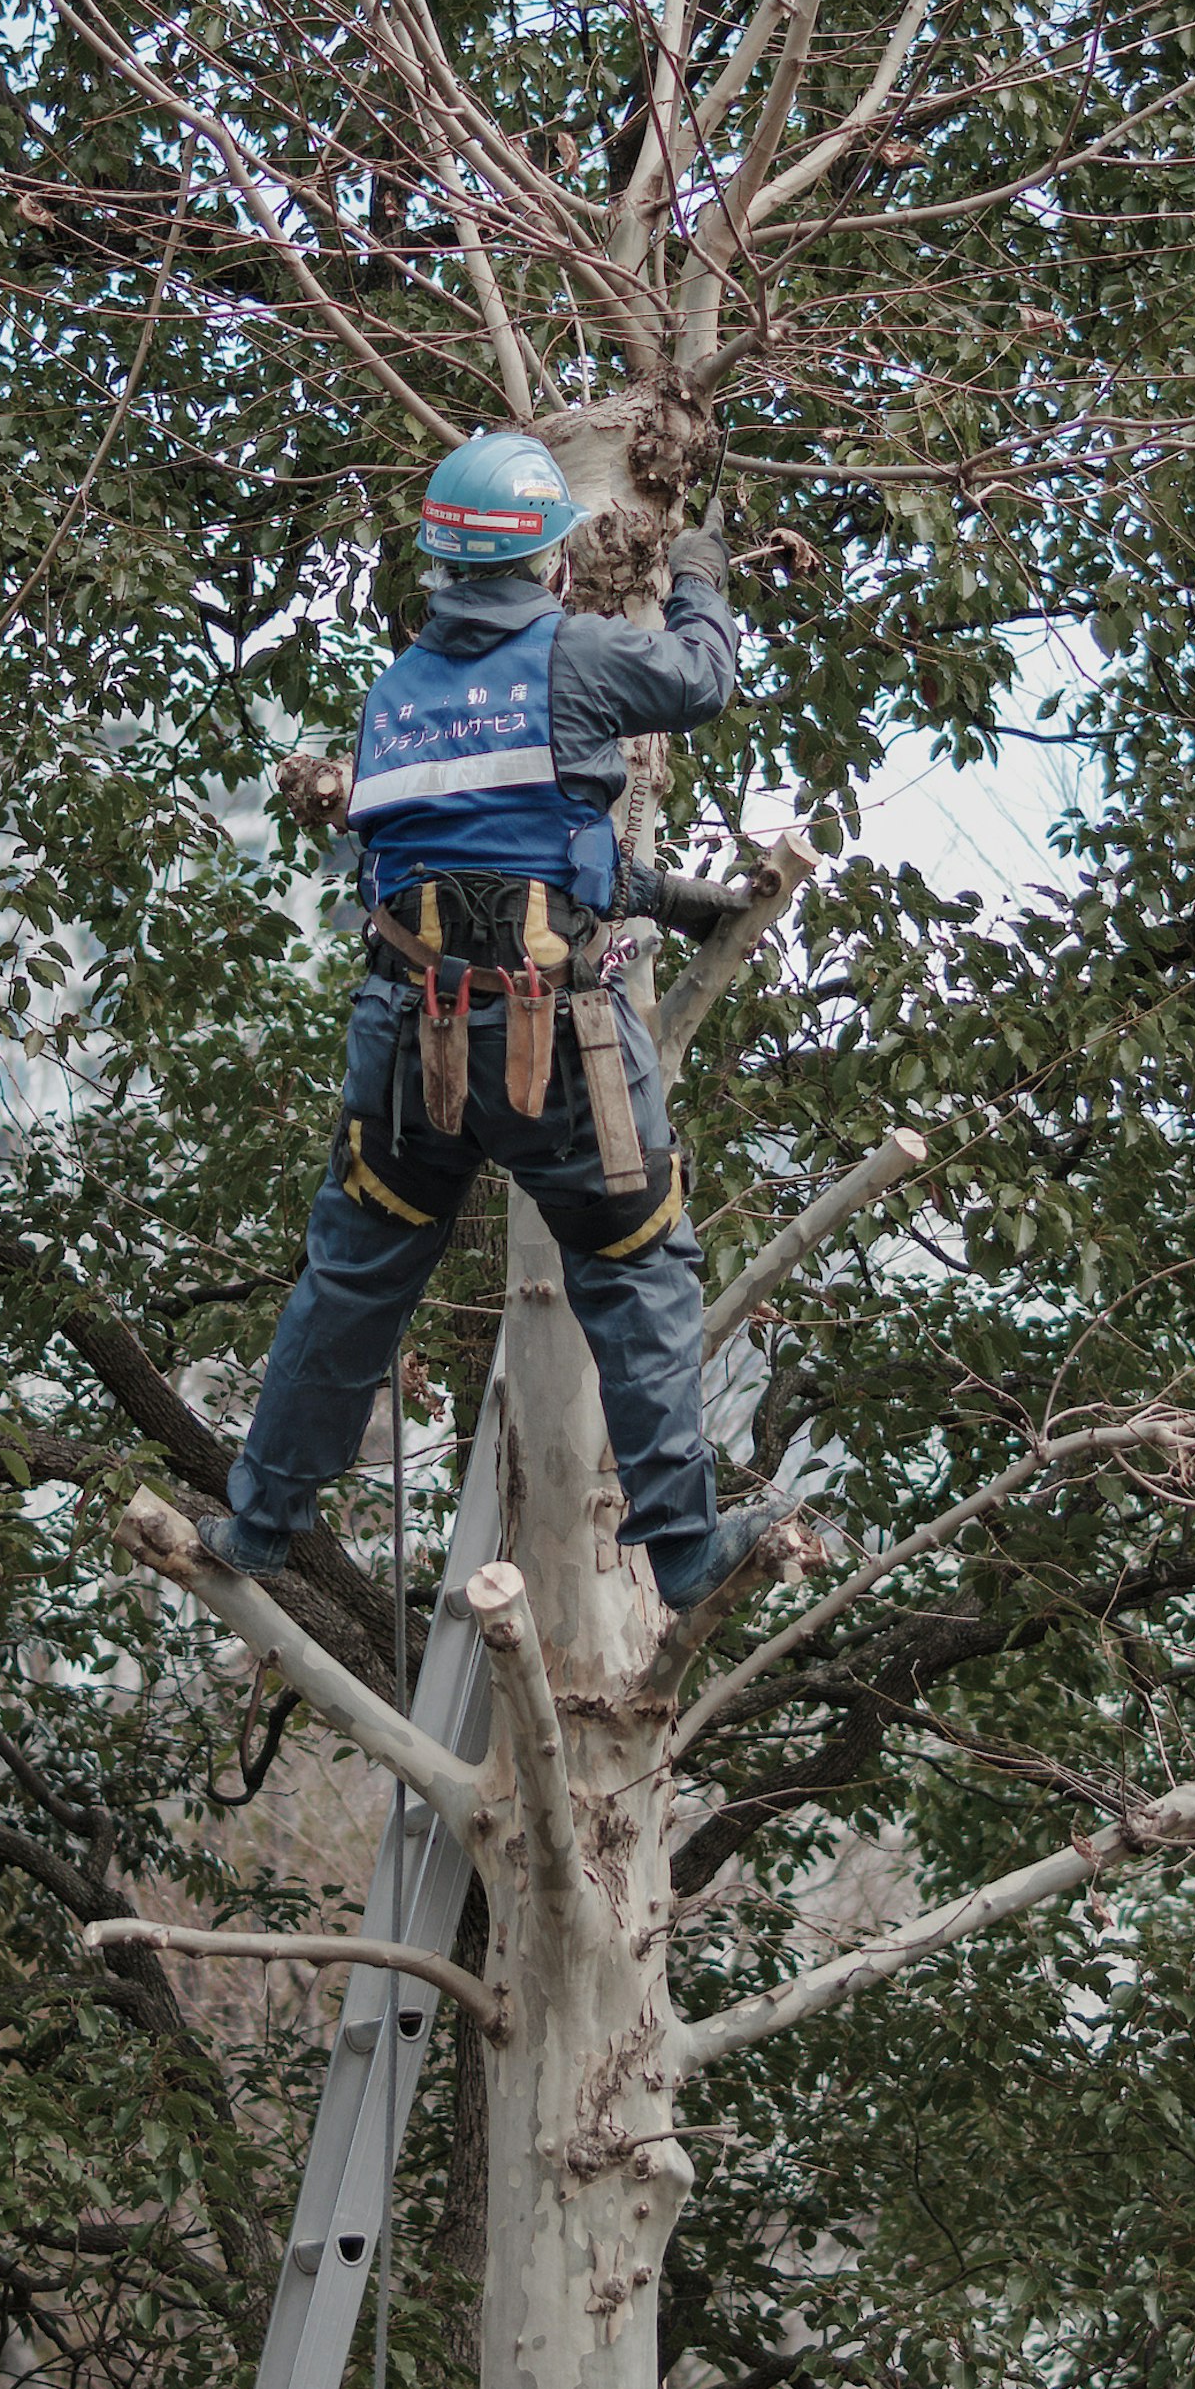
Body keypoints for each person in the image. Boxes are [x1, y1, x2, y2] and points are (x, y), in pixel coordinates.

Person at [206, 427, 776, 1615]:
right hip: (555, 1044)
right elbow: (702, 683)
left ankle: (260, 1519)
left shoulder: (395, 696)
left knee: (354, 1277)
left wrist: (672, 894)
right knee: (637, 1263)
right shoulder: (572, 656)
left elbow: (483, 855)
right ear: (554, 565)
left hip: (407, 1047)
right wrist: (703, 580)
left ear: (440, 564)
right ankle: (681, 1548)